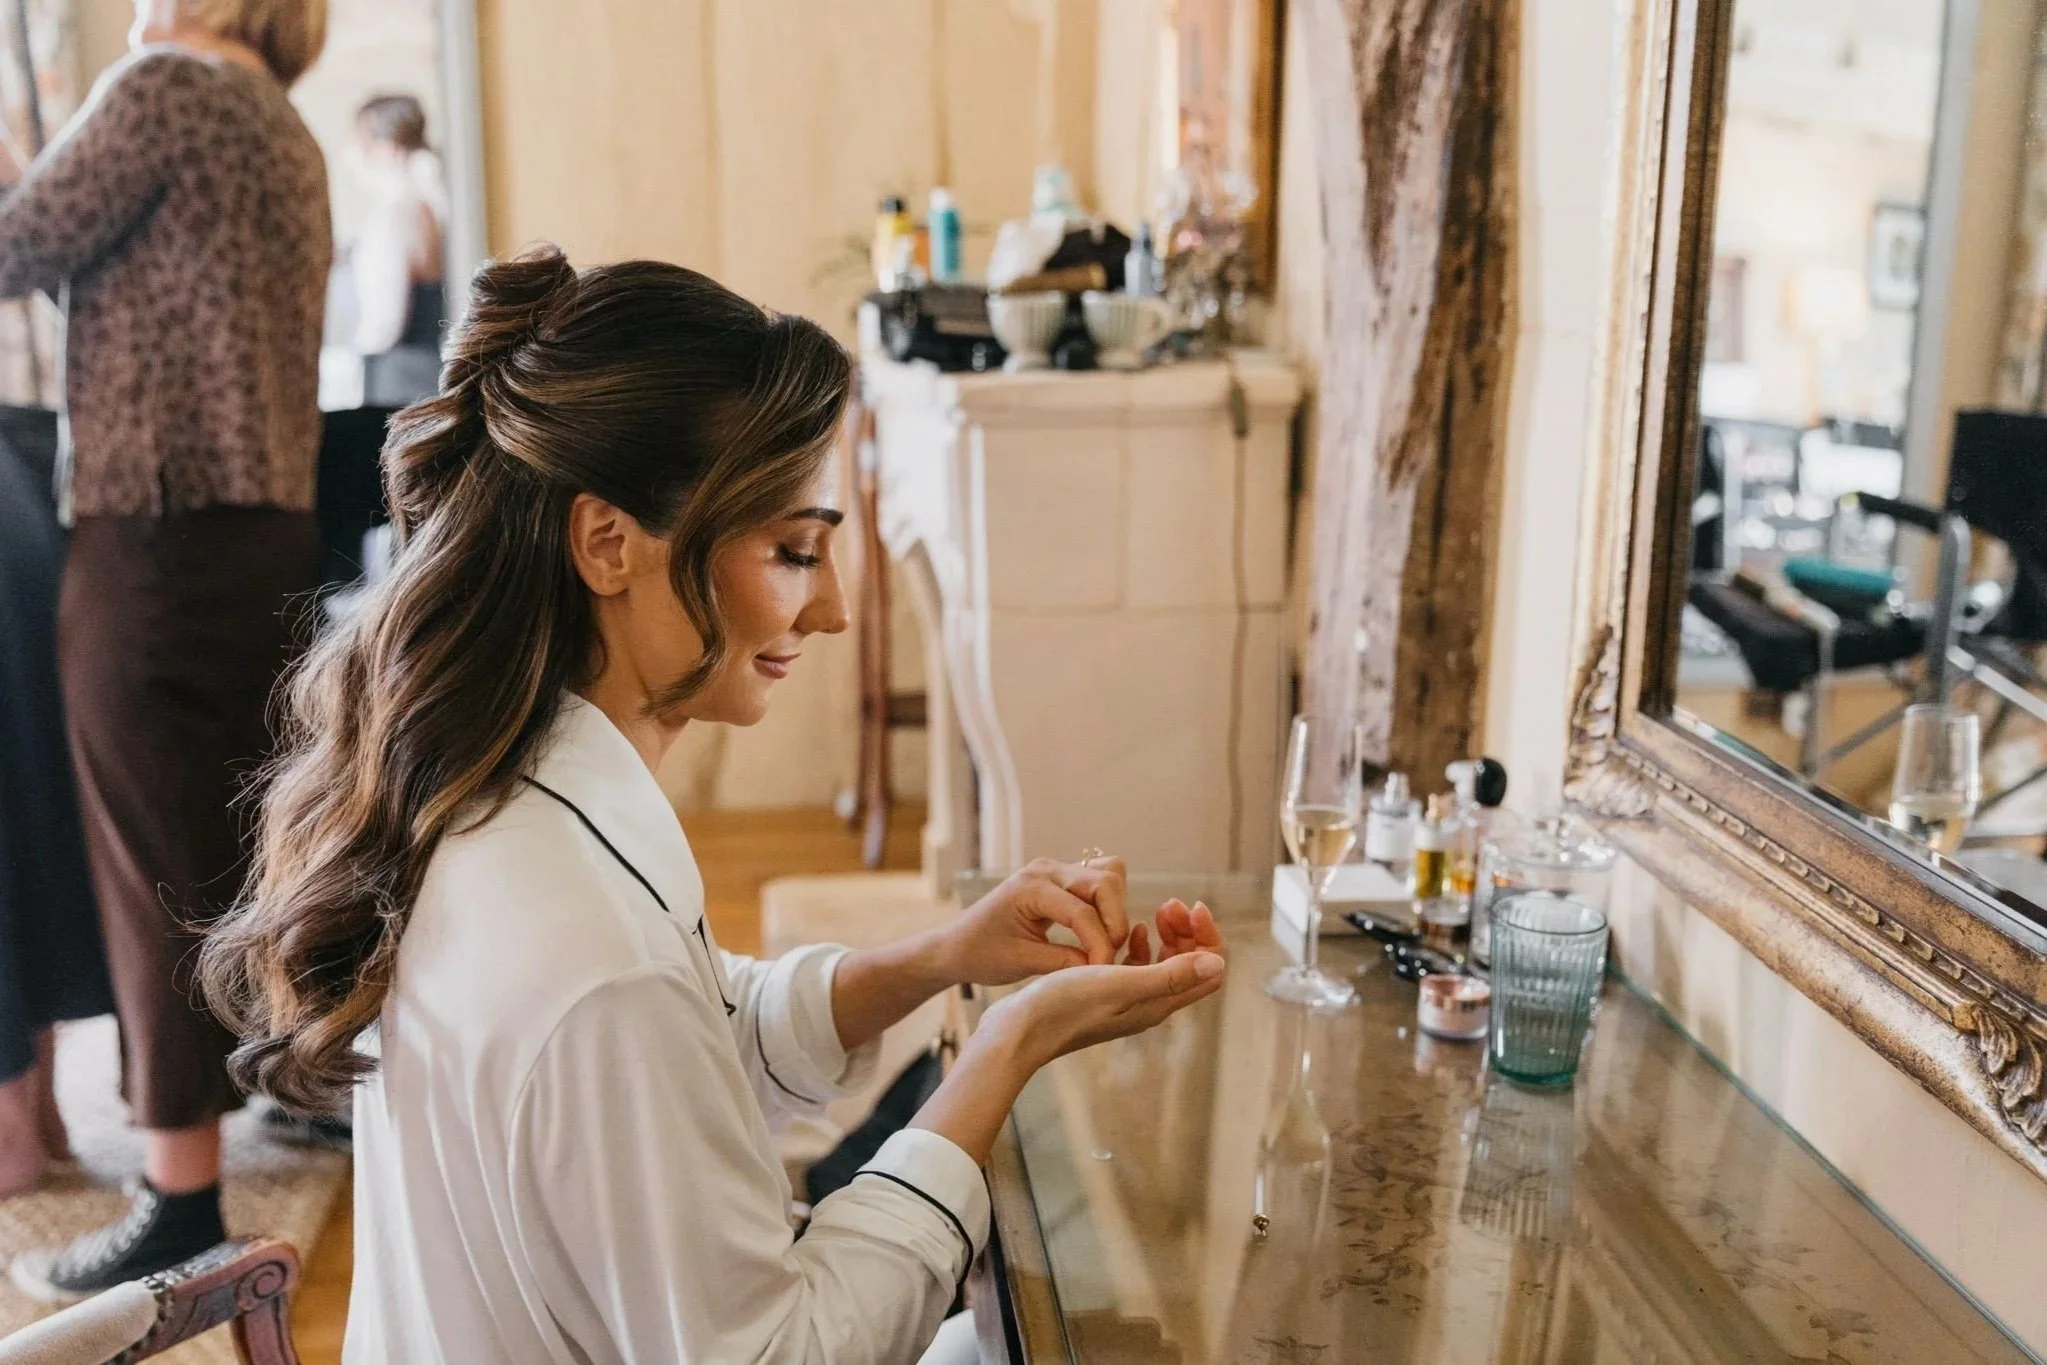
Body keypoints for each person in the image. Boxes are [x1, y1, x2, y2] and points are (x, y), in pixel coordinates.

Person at [198, 247, 1229, 1365]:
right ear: (608, 544)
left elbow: (689, 1035)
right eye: (794, 552)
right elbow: (778, 1353)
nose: (831, 610)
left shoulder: (492, 786)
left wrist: (943, 957)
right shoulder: (587, 944)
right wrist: (1005, 1050)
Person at [0, 0, 330, 1300]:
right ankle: (260, 1108)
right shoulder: (279, 124)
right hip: (261, 533)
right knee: (225, 855)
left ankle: (179, 1203)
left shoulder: (164, 92)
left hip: (151, 534)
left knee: (154, 872)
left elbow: (16, 247)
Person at [0, 413, 111, 1199]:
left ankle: (15, 1123)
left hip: (36, 461)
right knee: (31, 782)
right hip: (39, 462)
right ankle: (33, 1111)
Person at [350, 92, 447, 406]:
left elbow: (387, 318)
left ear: (388, 148)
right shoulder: (431, 201)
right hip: (428, 364)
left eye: (362, 144)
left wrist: (362, 356)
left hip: (401, 371)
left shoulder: (396, 212)